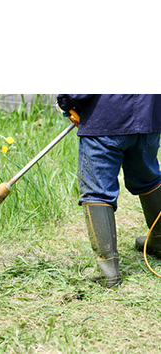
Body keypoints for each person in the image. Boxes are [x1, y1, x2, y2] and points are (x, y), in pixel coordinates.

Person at [57, 93, 161, 288]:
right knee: (148, 177)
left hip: (106, 117)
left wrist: (67, 101)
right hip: (149, 118)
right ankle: (160, 240)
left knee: (97, 191)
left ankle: (107, 272)